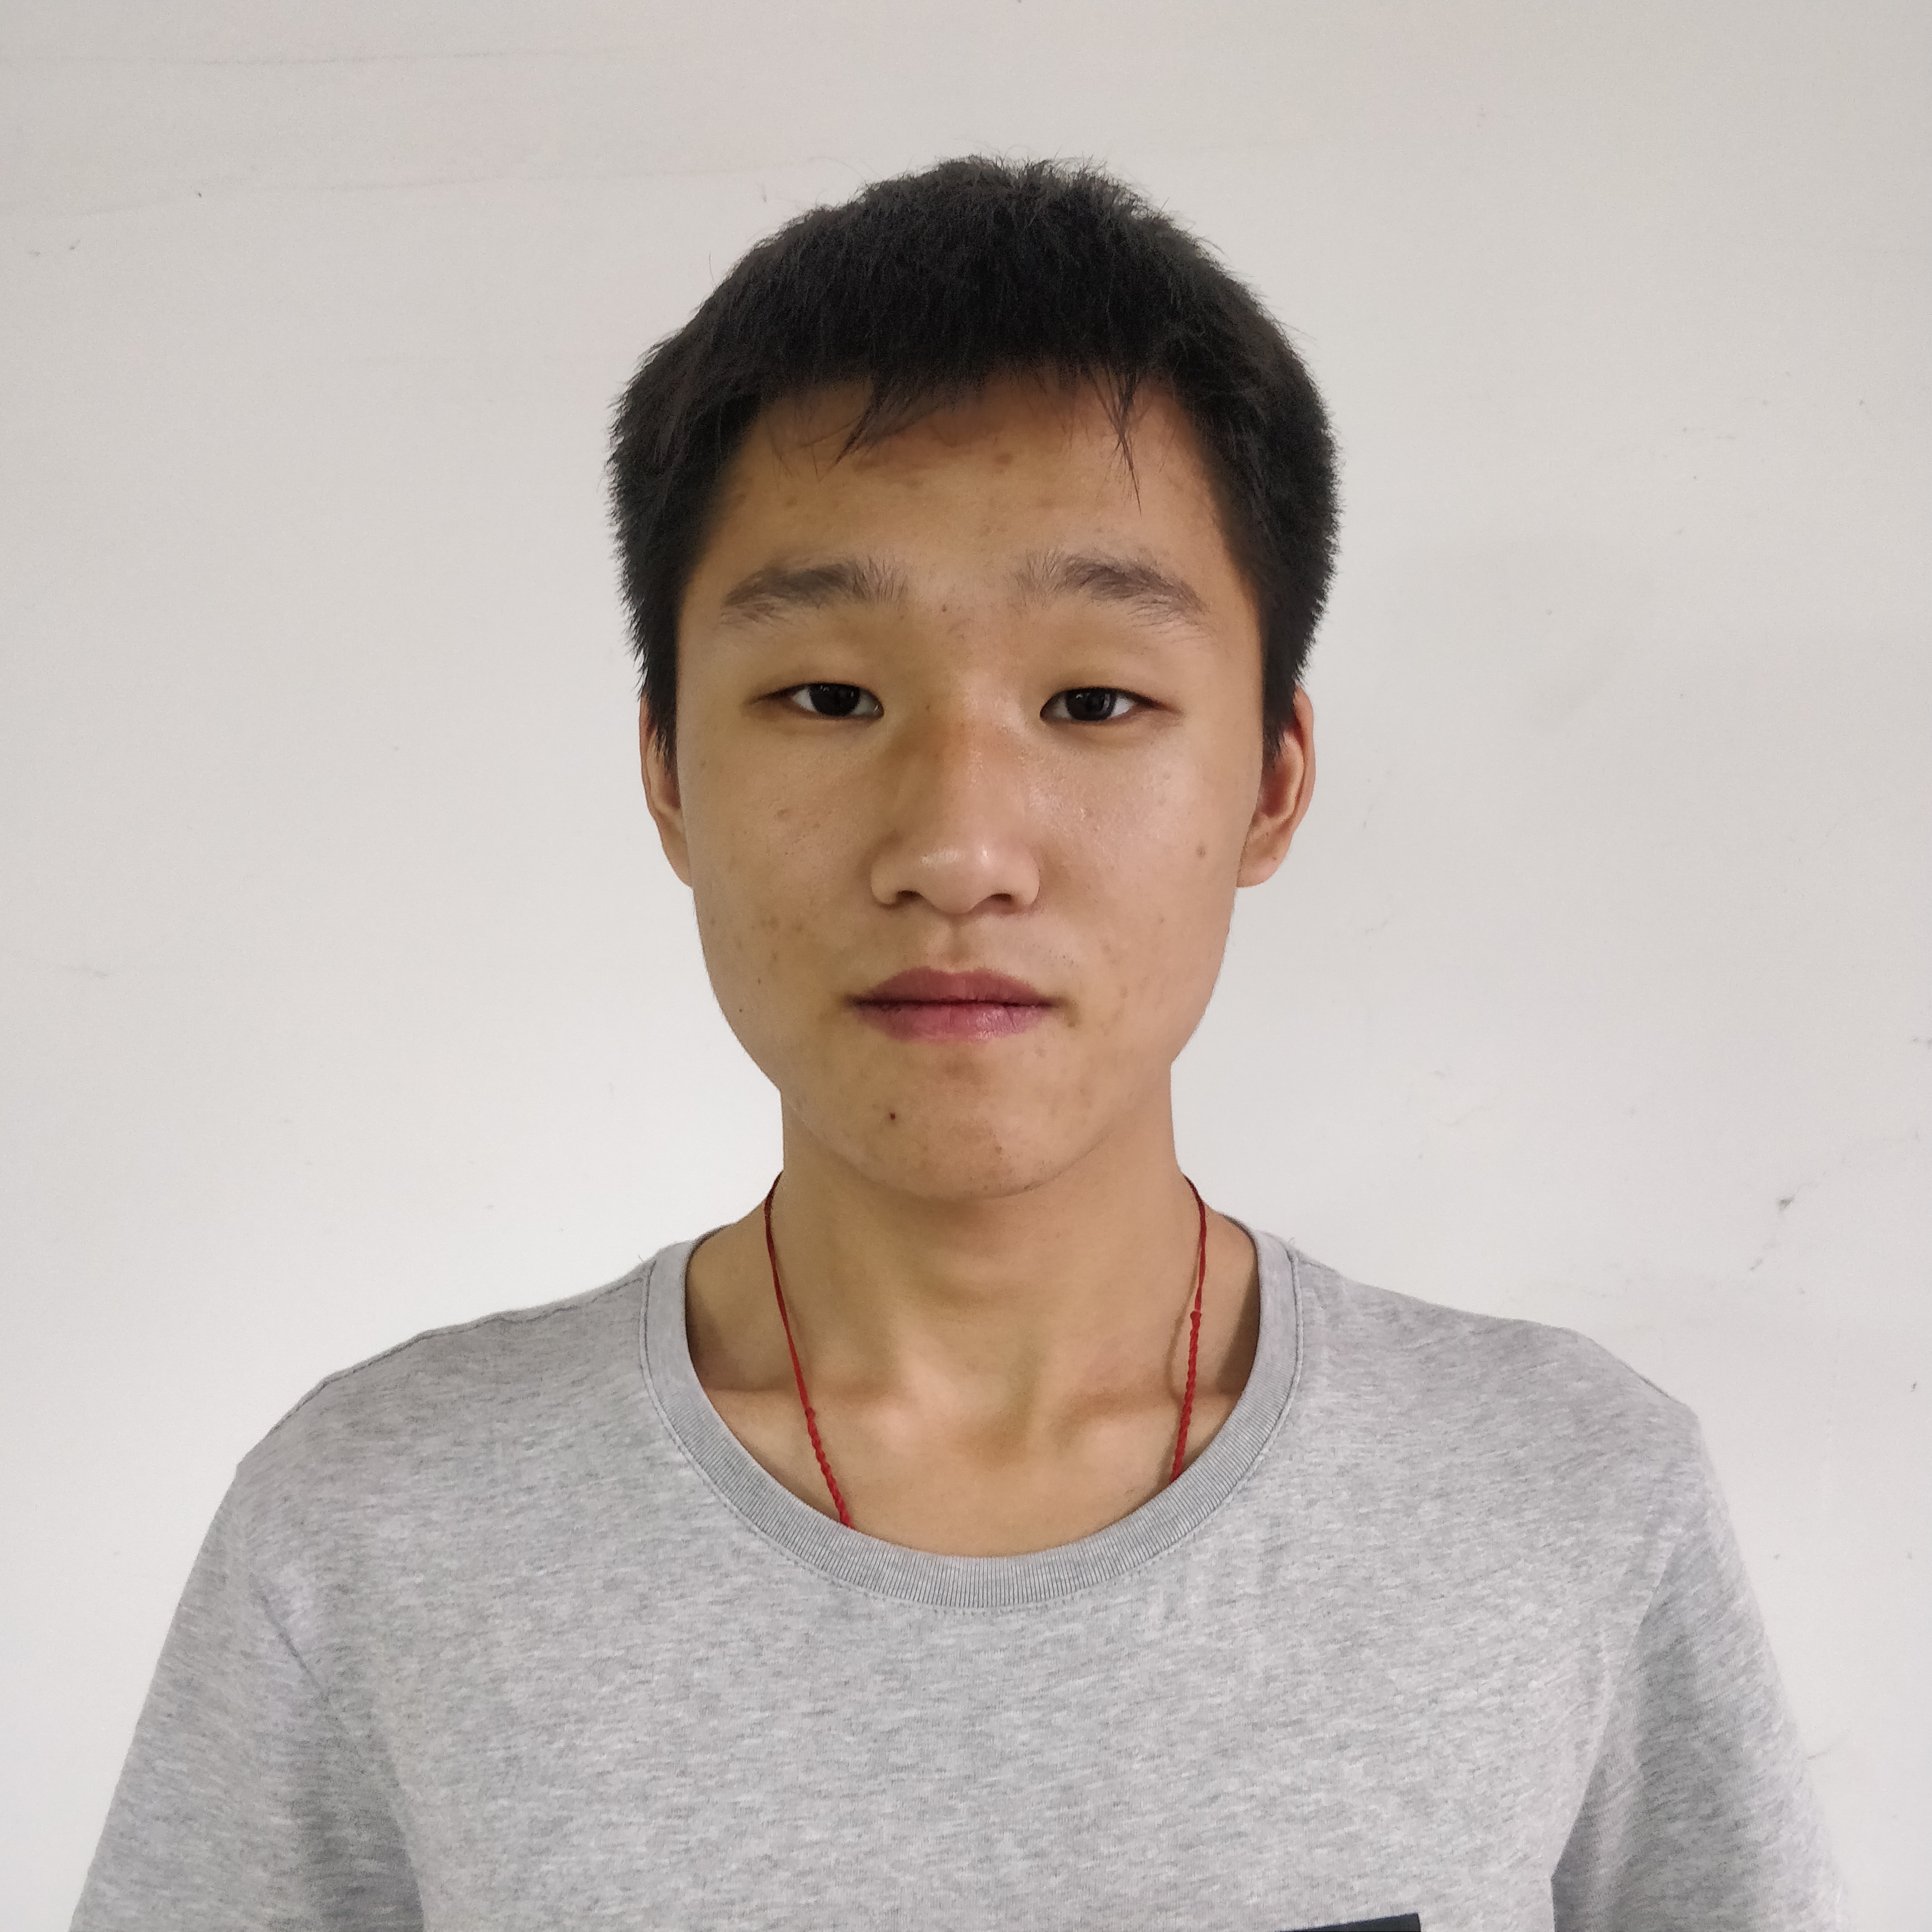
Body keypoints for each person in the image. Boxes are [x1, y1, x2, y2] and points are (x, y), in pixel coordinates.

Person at [73, 157, 1841, 1932]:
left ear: (1270, 782)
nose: (959, 849)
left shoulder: (1566, 1495)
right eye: (828, 696)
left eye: (1096, 699)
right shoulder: (380, 1533)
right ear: (670, 772)